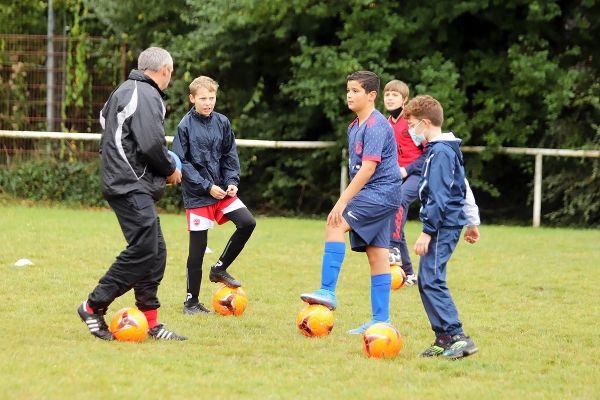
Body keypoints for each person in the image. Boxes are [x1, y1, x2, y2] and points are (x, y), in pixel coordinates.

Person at [77, 47, 187, 341]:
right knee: (144, 250)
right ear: (164, 70)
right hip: (129, 182)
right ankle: (92, 305)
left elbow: (105, 121)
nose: (169, 78)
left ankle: (150, 322)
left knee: (155, 251)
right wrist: (169, 170)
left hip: (124, 179)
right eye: (171, 73)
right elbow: (152, 145)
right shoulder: (147, 93)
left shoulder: (123, 90)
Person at [300, 71, 402, 334]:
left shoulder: (377, 125)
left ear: (371, 95)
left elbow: (368, 169)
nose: (349, 94)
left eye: (355, 90)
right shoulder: (354, 126)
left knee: (334, 224)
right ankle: (381, 319)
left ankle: (327, 291)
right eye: (348, 90)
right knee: (377, 255)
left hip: (380, 193)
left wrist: (342, 201)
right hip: (380, 196)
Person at [172, 76, 256, 315]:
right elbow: (182, 162)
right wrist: (206, 186)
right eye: (203, 98)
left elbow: (230, 155)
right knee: (197, 250)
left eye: (211, 98)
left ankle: (219, 269)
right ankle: (191, 302)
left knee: (247, 222)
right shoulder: (184, 126)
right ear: (192, 98)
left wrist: (231, 181)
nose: (208, 103)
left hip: (221, 191)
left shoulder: (222, 122)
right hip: (198, 194)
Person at [404, 94, 480, 359]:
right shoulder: (442, 150)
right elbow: (463, 186)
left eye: (412, 124)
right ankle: (443, 338)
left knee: (433, 279)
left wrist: (427, 231)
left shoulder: (441, 152)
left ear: (425, 123)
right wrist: (472, 221)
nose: (411, 130)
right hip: (448, 223)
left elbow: (439, 195)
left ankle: (458, 336)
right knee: (426, 279)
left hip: (443, 225)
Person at [383, 80, 424, 286]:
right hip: (396, 178)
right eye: (387, 94)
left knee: (397, 203)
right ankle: (408, 274)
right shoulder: (384, 123)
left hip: (418, 175)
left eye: (395, 94)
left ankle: (392, 250)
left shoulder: (412, 122)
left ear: (404, 99)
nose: (390, 97)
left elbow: (429, 153)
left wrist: (406, 169)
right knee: (396, 220)